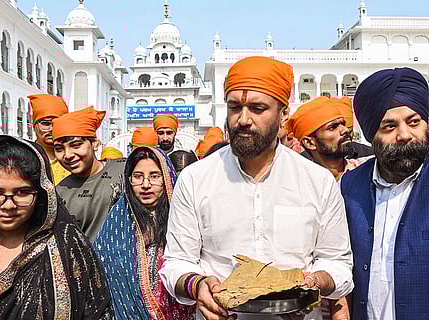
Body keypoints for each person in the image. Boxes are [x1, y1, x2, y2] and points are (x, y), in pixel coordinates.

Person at [161, 56, 354, 320]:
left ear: (283, 114)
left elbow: (338, 263)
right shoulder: (195, 179)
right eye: (234, 107)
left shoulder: (317, 181)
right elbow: (176, 262)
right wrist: (197, 285)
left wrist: (313, 284)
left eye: (258, 108)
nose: (243, 119)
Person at [0, 135, 114, 319]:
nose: (9, 205)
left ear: (43, 194)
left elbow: (97, 311)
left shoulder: (67, 245)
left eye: (22, 192)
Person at [341, 67, 429, 320]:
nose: (404, 135)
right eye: (389, 126)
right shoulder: (351, 186)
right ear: (372, 135)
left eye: (414, 122)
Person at [93, 146, 194, 319]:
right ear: (128, 179)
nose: (146, 185)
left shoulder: (184, 217)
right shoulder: (116, 223)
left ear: (167, 179)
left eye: (154, 176)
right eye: (138, 177)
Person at [53, 107, 125, 242]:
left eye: (76, 145)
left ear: (95, 144)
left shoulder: (125, 170)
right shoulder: (59, 193)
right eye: (59, 149)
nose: (67, 155)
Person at [288, 96, 370, 182]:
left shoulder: (368, 170)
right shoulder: (301, 184)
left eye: (343, 124)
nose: (345, 130)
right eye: (332, 127)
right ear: (310, 143)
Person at [28, 94, 71, 185]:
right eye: (46, 123)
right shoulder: (24, 156)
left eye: (57, 124)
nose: (51, 129)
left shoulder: (73, 159)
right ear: (34, 126)